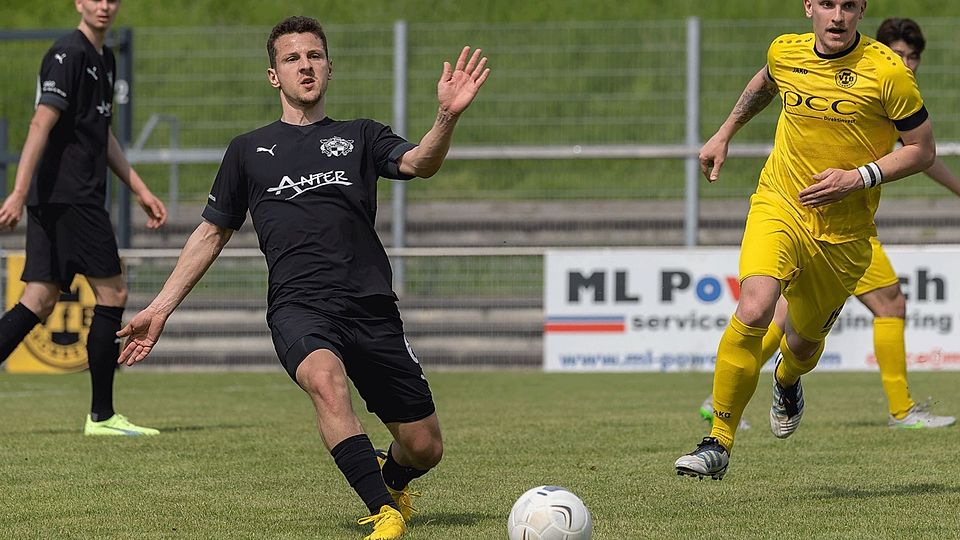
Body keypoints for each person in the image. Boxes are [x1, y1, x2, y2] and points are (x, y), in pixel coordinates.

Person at [115, 15, 489, 540]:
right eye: (292, 58)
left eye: (314, 56)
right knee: (325, 381)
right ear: (274, 76)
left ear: (330, 68)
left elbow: (420, 163)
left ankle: (392, 477)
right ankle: (384, 512)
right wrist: (159, 307)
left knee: (426, 446)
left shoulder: (360, 135)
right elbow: (210, 234)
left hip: (370, 305)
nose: (305, 66)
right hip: (299, 306)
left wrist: (446, 117)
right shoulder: (247, 151)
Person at [674, 0, 937, 480]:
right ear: (809, 7)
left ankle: (787, 380)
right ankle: (718, 441)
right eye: (828, 4)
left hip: (844, 232)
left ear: (862, 11)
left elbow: (922, 151)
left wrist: (858, 177)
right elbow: (765, 83)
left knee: (802, 343)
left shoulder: (889, 73)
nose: (838, 16)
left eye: (849, 6)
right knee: (754, 307)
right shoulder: (784, 51)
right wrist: (724, 132)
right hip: (781, 202)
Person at [0, 0, 167, 436]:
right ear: (79, 2)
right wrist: (16, 192)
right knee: (113, 293)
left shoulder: (104, 58)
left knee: (38, 300)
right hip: (70, 198)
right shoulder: (68, 53)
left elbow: (102, 131)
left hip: (60, 199)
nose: (104, 5)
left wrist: (141, 189)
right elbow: (40, 124)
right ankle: (102, 416)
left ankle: (102, 416)